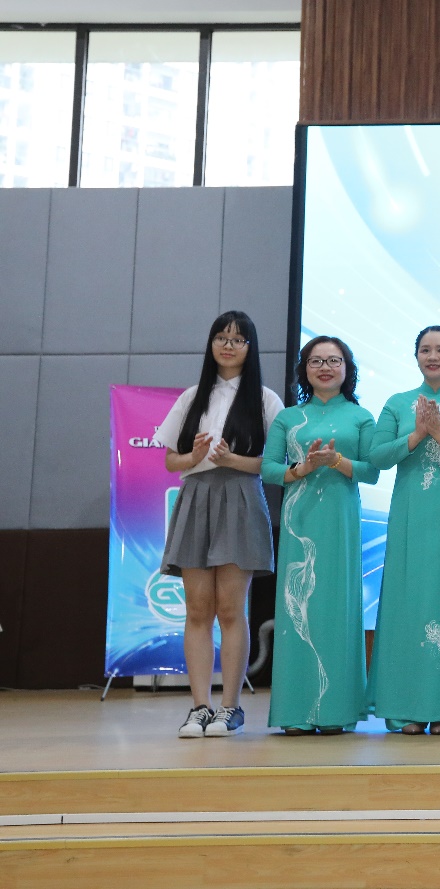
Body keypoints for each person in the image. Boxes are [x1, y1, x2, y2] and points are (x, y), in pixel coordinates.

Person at [155, 311, 284, 738]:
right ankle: (199, 707)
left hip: (241, 498)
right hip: (196, 498)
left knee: (231, 609)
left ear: (250, 347)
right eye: (221, 337)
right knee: (197, 609)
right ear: (211, 344)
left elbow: (275, 465)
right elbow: (170, 460)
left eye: (238, 339)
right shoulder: (192, 396)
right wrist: (192, 458)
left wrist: (232, 460)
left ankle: (230, 707)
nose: (228, 346)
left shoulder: (265, 399)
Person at [366, 326, 440, 735]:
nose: (433, 356)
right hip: (410, 512)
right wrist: (418, 434)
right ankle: (407, 707)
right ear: (416, 356)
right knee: (410, 603)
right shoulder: (397, 403)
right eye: (425, 350)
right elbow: (378, 457)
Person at [261, 336, 378, 734]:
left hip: (340, 519)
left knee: (335, 606)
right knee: (298, 605)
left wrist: (336, 460)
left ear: (347, 369)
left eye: (333, 360)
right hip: (300, 521)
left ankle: (335, 712)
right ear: (304, 369)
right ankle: (295, 712)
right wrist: (302, 469)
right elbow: (269, 469)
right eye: (316, 361)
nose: (325, 367)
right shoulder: (288, 417)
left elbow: (372, 471)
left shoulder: (361, 417)